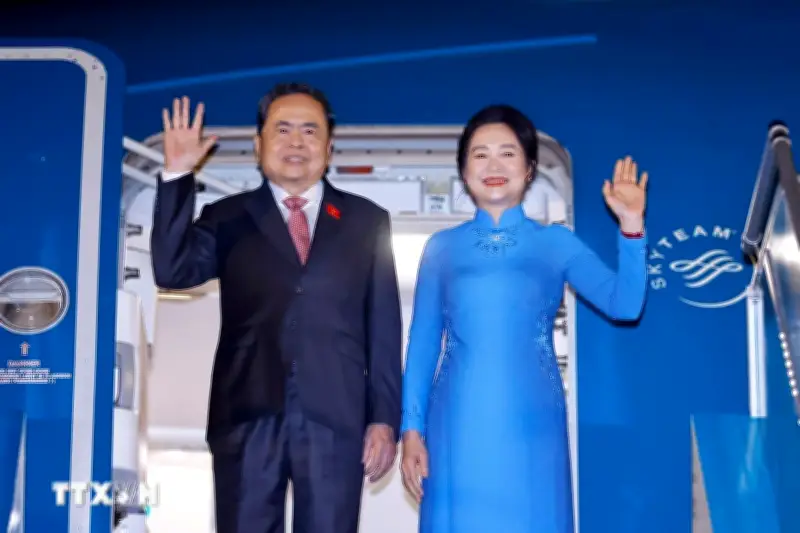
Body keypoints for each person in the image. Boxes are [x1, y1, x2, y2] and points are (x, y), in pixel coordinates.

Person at [150, 83, 403, 533]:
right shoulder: (227, 217)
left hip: (336, 418)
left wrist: (384, 419)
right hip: (245, 417)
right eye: (282, 130)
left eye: (310, 130)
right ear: (258, 144)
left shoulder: (367, 221)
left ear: (328, 146)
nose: (296, 142)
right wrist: (177, 174)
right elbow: (172, 270)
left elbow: (384, 329)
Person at [399, 104, 648, 533]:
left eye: (508, 153)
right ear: (464, 171)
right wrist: (411, 428)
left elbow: (624, 304)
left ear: (529, 168)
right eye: (480, 155)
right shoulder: (442, 247)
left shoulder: (556, 242)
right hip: (456, 421)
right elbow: (422, 343)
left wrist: (631, 224)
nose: (494, 166)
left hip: (534, 421)